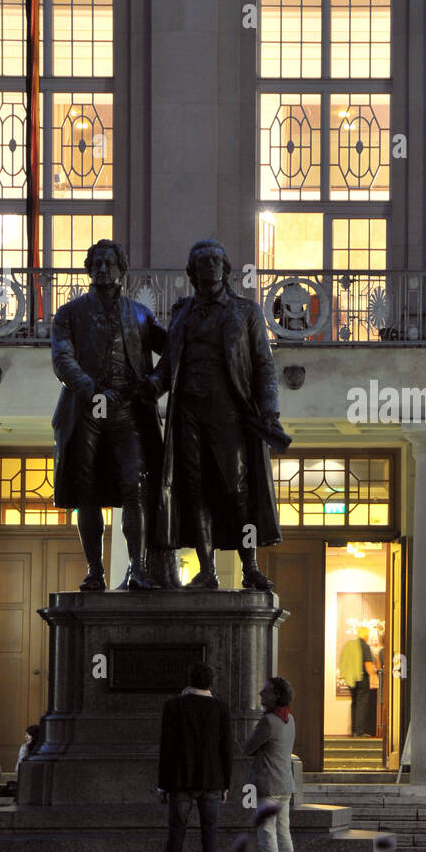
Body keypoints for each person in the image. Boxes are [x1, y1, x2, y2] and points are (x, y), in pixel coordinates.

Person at [146, 239, 290, 592]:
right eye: (202, 261)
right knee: (194, 491)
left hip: (229, 413)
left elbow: (264, 367)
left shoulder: (246, 311)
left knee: (236, 489)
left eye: (216, 260)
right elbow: (167, 368)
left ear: (225, 270)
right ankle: (206, 569)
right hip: (187, 413)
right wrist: (142, 389)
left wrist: (269, 411)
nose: (210, 265)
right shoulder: (181, 313)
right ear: (192, 272)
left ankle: (250, 567)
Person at [50, 239, 166, 591]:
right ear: (89, 269)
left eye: (109, 263)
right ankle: (94, 571)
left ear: (121, 270)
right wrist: (93, 390)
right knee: (86, 492)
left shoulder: (141, 315)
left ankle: (138, 569)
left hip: (128, 410)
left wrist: (156, 383)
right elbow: (62, 360)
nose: (102, 269)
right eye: (96, 263)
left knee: (136, 486)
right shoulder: (69, 314)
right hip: (85, 409)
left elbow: (176, 351)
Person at [154, 662, 232, 852]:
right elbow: (226, 749)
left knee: (175, 837)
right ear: (211, 682)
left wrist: (162, 784)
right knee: (210, 839)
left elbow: (167, 748)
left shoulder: (173, 706)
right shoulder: (220, 708)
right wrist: (226, 783)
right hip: (212, 781)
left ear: (189, 681)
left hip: (179, 781)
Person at [244, 677, 297, 852]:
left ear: (275, 696)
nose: (260, 694)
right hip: (285, 784)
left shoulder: (268, 722)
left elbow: (248, 748)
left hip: (268, 784)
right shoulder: (289, 719)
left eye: (265, 692)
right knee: (284, 833)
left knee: (267, 835)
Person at [340, 626, 377, 737]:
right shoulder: (364, 646)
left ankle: (353, 730)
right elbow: (368, 664)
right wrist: (373, 675)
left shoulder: (349, 645)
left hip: (351, 679)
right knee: (362, 704)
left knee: (354, 703)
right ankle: (359, 731)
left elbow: (343, 661)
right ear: (366, 635)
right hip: (361, 678)